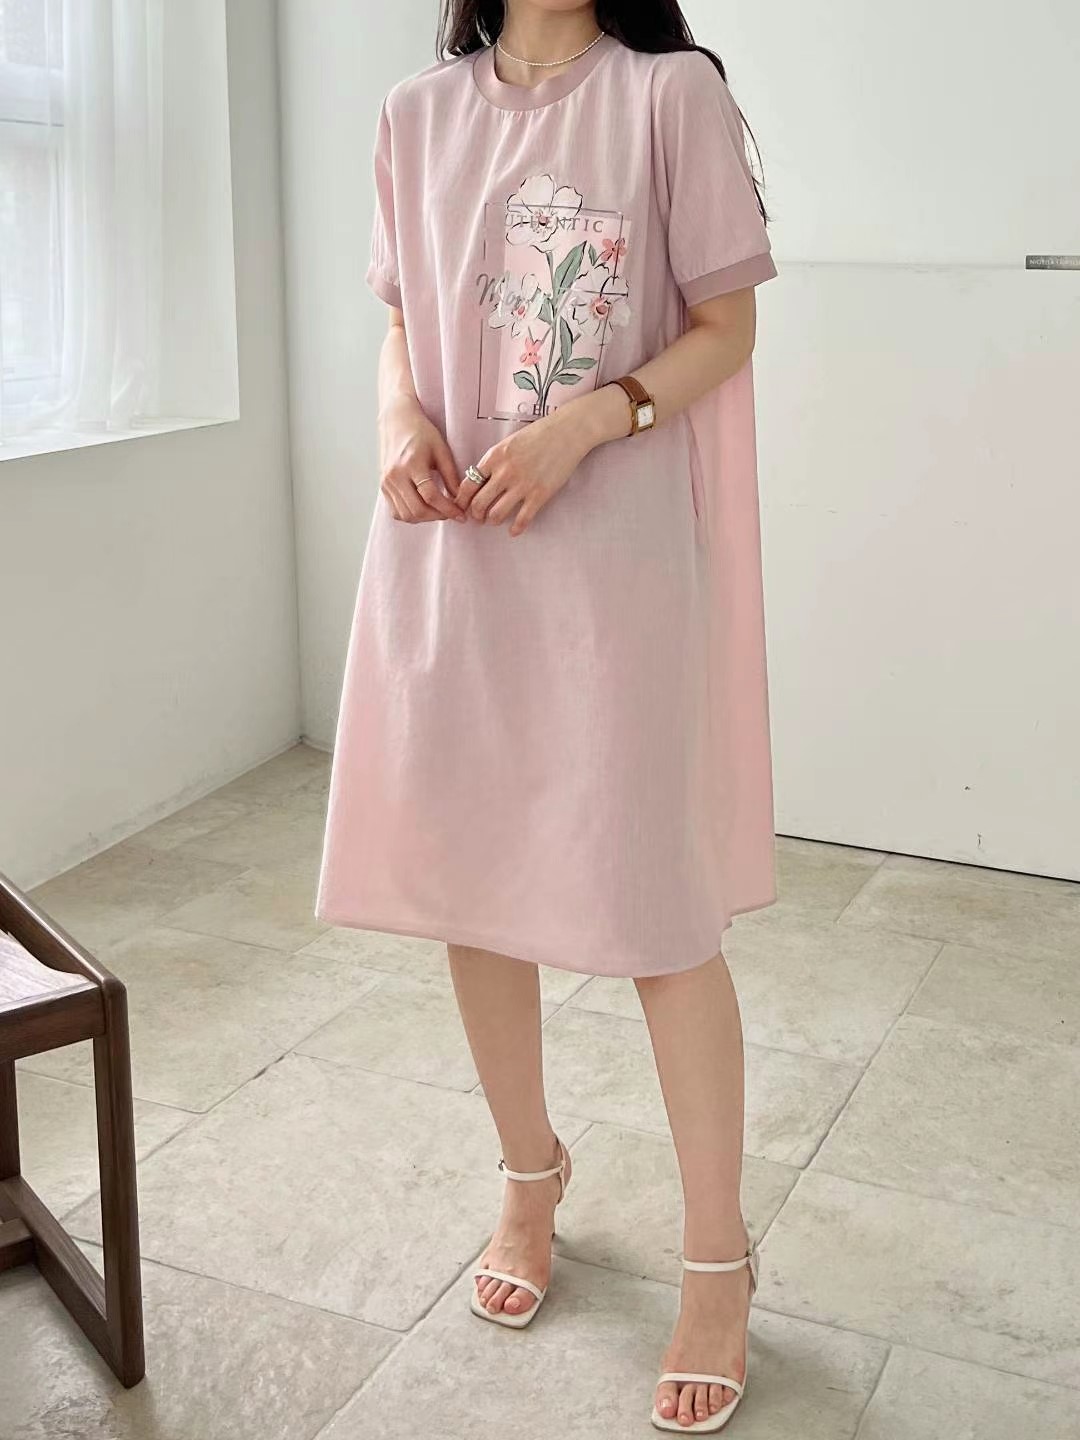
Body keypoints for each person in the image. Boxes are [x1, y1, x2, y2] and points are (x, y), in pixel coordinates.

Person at [316, 0, 779, 1430]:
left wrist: (587, 419)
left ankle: (718, 1258)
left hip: (613, 567)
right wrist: (399, 423)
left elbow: (725, 329)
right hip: (455, 548)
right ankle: (530, 1177)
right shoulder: (416, 114)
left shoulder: (667, 96)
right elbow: (403, 323)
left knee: (658, 915)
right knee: (474, 887)